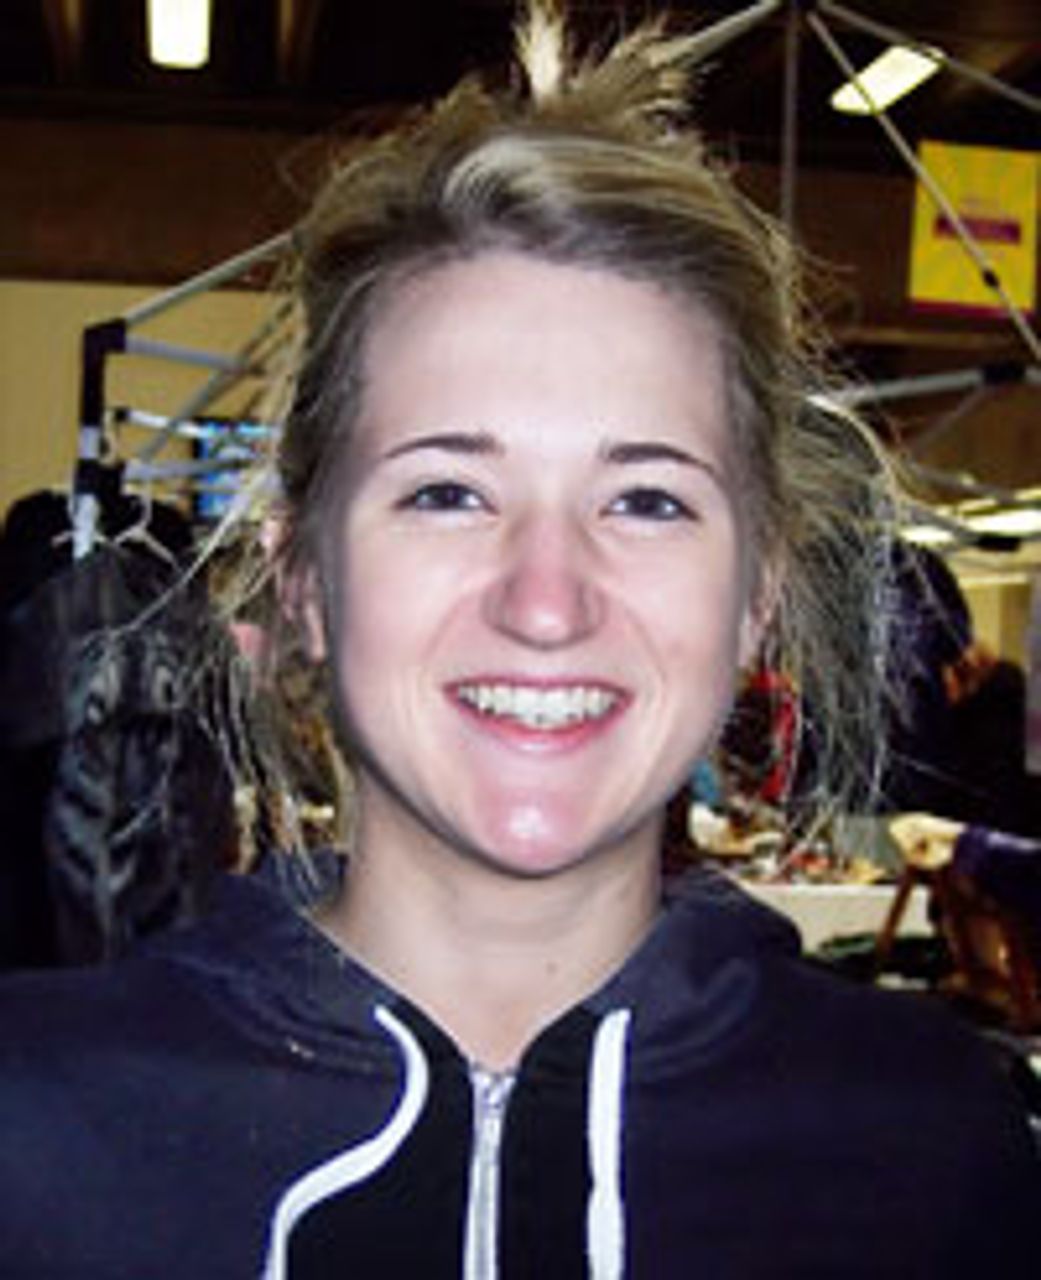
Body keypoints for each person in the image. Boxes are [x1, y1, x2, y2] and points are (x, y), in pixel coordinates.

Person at [1, 6, 1037, 1276]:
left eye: (646, 500)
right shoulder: (30, 1127)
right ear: (304, 577)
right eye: (448, 491)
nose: (547, 601)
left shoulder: (934, 1151)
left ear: (755, 597)